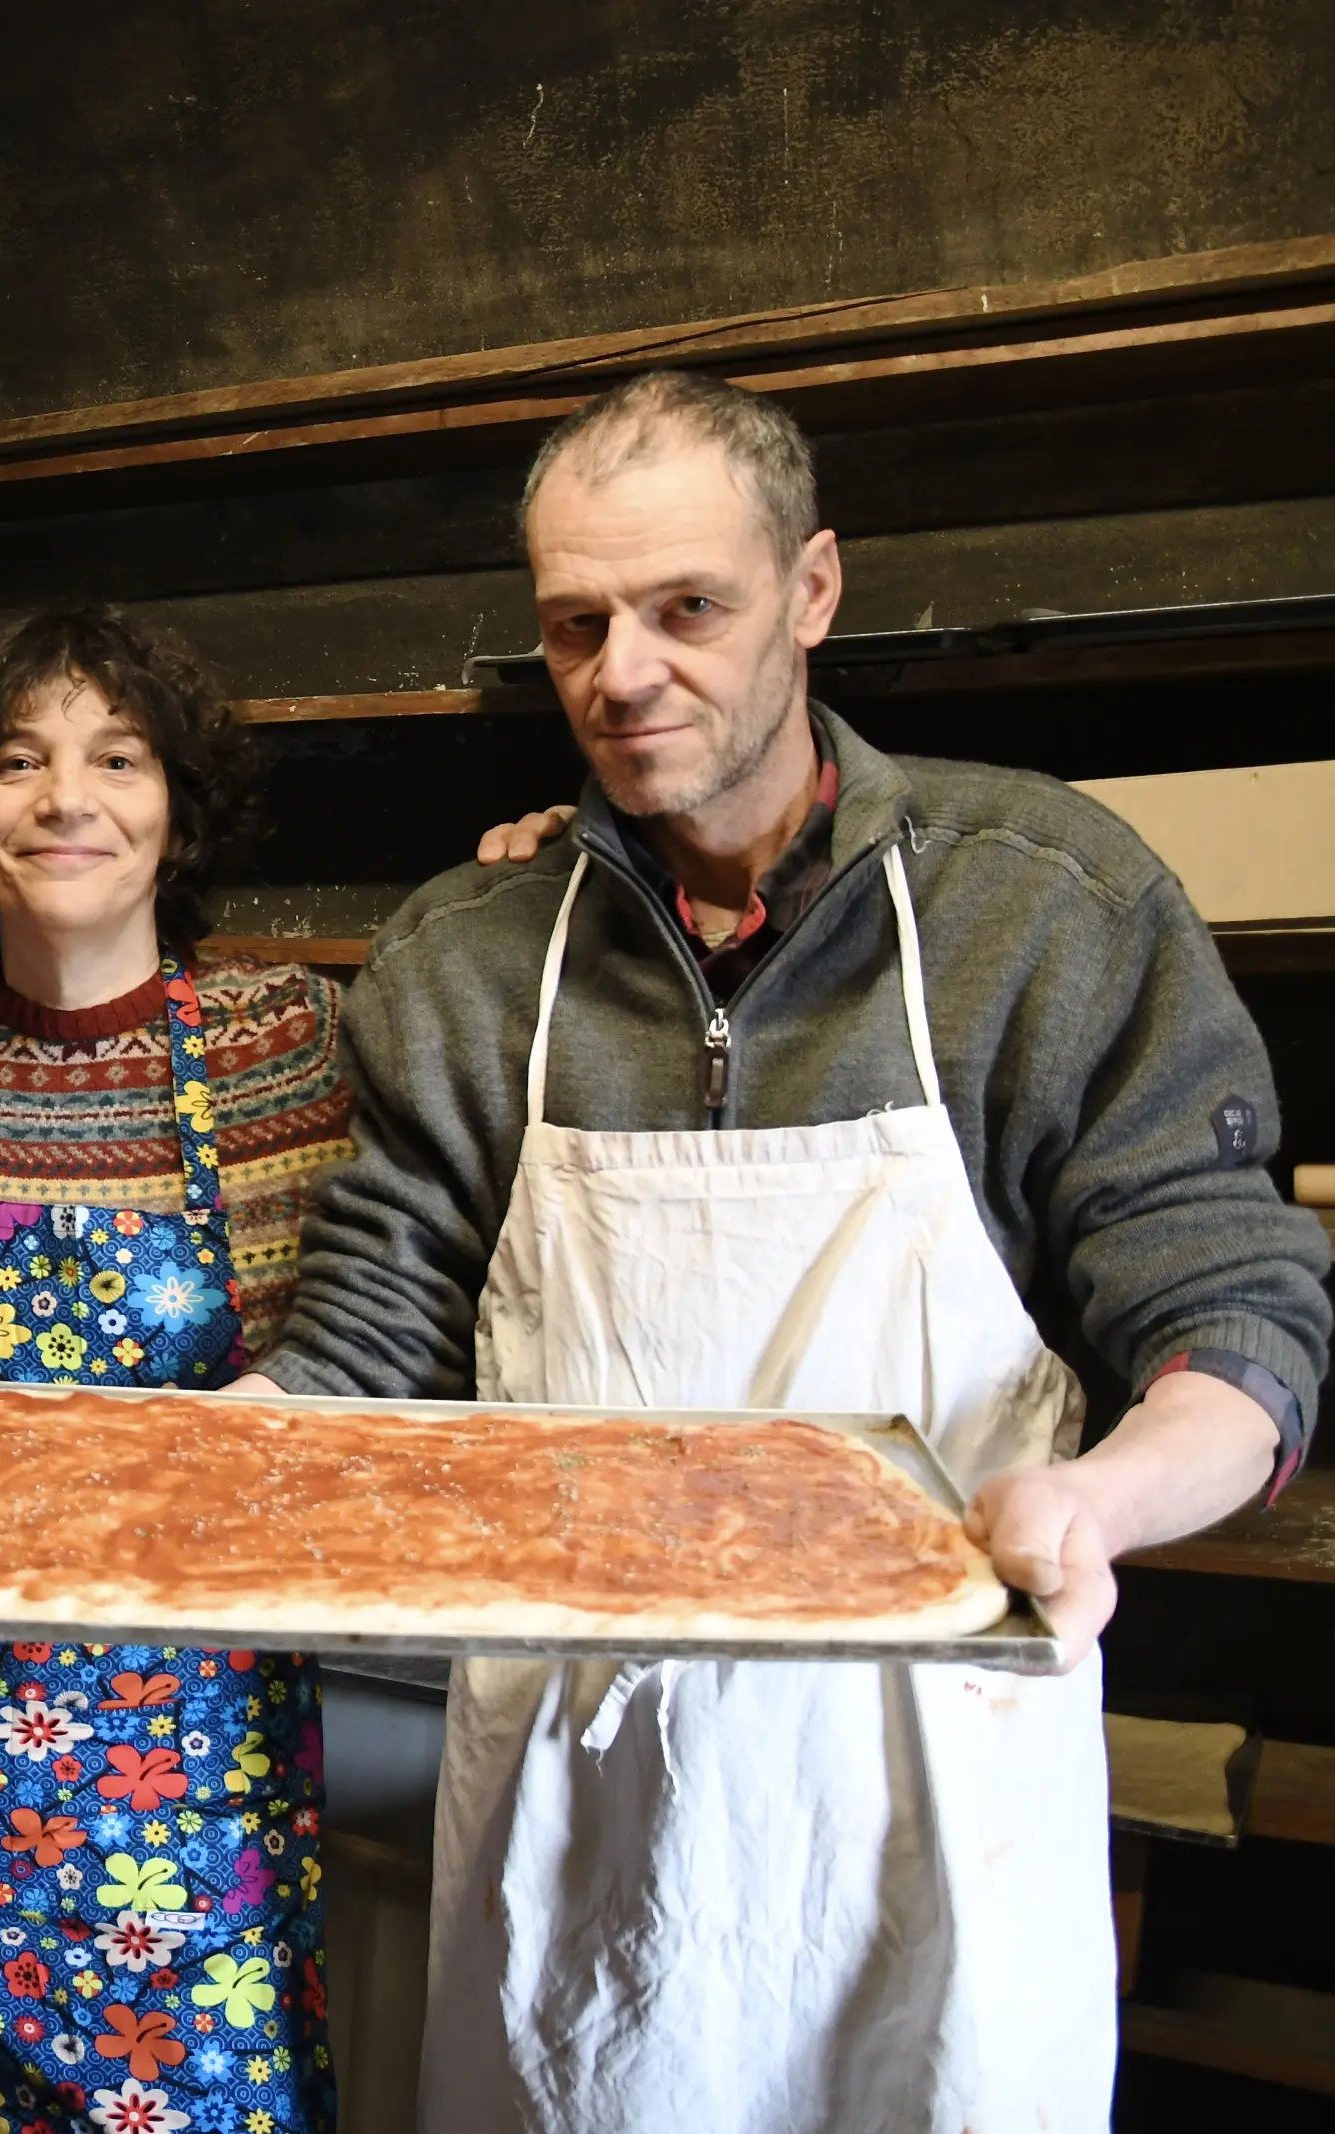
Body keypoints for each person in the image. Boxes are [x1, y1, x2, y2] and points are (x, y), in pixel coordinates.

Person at [233, 370, 1331, 2132]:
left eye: (689, 609)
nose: (624, 671)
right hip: (576, 1797)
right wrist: (221, 1455)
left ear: (813, 589)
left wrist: (1105, 1500)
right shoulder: (471, 954)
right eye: (576, 623)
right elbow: (380, 1317)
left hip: (923, 1778)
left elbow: (1233, 1303)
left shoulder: (1039, 903)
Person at [0, 607, 569, 2134]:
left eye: (118, 757)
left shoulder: (291, 1039)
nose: (66, 797)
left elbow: (439, 1239)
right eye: (16, 761)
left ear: (179, 810)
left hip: (191, 1758)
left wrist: (543, 903)